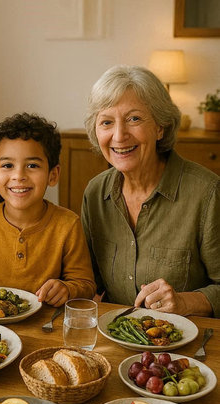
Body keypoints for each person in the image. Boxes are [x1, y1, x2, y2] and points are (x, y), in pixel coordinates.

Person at [81, 65, 220, 317]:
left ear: (160, 127)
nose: (119, 135)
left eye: (134, 119)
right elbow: (89, 280)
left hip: (188, 348)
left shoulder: (207, 193)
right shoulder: (95, 193)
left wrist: (186, 302)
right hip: (117, 337)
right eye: (106, 122)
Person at [0, 112, 96, 307]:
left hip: (46, 326)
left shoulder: (68, 224)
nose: (18, 175)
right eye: (7, 165)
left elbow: (86, 284)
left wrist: (68, 289)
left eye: (32, 165)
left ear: (53, 175)